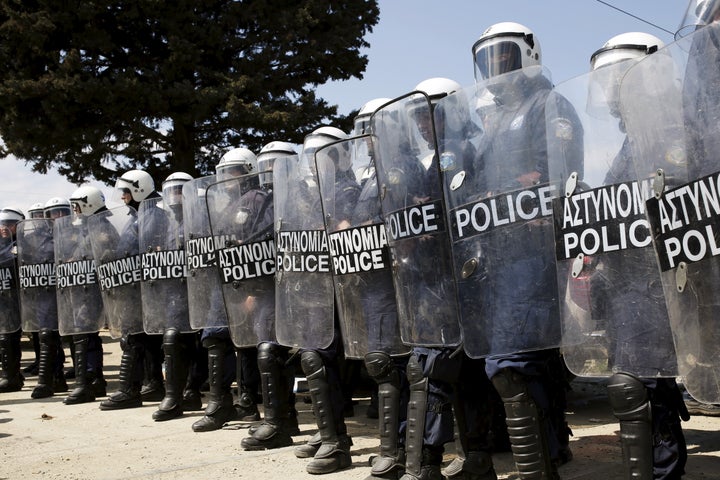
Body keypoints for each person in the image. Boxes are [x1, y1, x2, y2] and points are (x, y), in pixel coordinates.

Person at [464, 22, 583, 479]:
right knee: (533, 361)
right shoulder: (496, 122)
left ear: (528, 55)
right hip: (498, 255)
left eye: (503, 55)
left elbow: (560, 175)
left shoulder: (547, 105)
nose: (495, 67)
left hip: (533, 253)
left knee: (511, 364)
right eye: (487, 59)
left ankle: (536, 469)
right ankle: (550, 451)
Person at [237, 141, 302, 451]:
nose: (269, 171)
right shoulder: (263, 201)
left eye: (275, 164)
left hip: (293, 287)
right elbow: (252, 246)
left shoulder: (301, 196)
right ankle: (284, 419)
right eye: (265, 165)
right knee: (270, 352)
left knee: (273, 352)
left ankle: (278, 422)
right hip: (266, 288)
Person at [190, 148, 261, 432]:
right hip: (224, 283)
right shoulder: (229, 206)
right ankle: (225, 402)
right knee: (218, 338)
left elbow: (260, 246)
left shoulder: (255, 200)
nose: (227, 180)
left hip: (243, 283)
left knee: (235, 341)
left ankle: (234, 403)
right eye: (225, 173)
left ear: (247, 172)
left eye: (232, 173)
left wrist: (253, 292)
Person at [97, 169, 165, 410]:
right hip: (135, 287)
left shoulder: (152, 215)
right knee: (144, 340)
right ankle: (154, 383)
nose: (123, 196)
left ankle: (129, 390)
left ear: (140, 189)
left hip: (143, 288)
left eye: (126, 191)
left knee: (134, 337)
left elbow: (143, 250)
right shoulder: (139, 215)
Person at [141, 172, 204, 421]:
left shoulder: (199, 217)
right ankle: (176, 395)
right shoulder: (167, 221)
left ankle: (190, 391)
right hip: (174, 293)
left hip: (197, 291)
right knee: (174, 340)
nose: (175, 196)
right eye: (172, 190)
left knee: (198, 344)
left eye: (180, 190)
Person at [17, 198, 72, 398]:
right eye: (52, 213)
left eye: (60, 212)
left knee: (74, 337)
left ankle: (57, 380)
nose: (56, 217)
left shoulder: (73, 234)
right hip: (45, 294)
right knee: (47, 336)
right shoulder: (38, 239)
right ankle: (51, 380)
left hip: (69, 292)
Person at [60, 186, 109, 404]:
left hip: (93, 290)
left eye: (77, 205)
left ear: (88, 204)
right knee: (85, 334)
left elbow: (103, 253)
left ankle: (88, 381)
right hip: (83, 289)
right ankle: (94, 380)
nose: (75, 210)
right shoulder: (86, 228)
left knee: (86, 334)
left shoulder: (101, 227)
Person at [0, 207, 26, 393]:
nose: (5, 228)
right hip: (4, 300)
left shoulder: (25, 243)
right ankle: (11, 376)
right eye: (2, 224)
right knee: (6, 339)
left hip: (23, 299)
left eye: (9, 224)